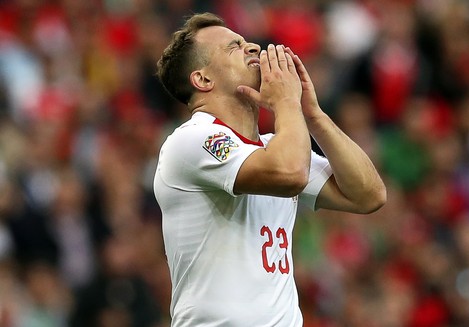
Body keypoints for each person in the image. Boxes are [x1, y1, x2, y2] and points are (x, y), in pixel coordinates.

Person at [153, 12, 386, 326]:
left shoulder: (276, 146)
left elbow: (368, 195)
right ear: (203, 79)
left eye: (247, 41)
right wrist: (287, 103)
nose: (252, 47)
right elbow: (290, 174)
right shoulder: (192, 140)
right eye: (233, 47)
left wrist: (313, 114)